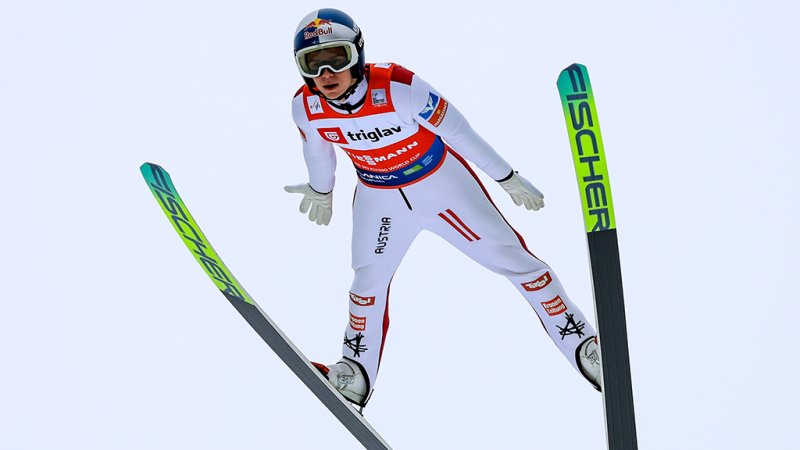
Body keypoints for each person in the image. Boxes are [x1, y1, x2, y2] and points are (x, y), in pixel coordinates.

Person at [285, 8, 601, 408]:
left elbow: (459, 132)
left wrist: (505, 176)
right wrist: (321, 189)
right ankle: (355, 375)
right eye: (313, 64)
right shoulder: (306, 107)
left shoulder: (399, 87)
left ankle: (586, 347)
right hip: (379, 199)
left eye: (337, 58)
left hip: (439, 185)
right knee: (366, 284)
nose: (326, 73)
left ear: (358, 54)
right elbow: (317, 151)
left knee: (519, 264)